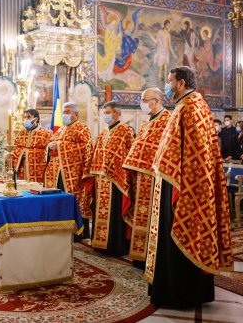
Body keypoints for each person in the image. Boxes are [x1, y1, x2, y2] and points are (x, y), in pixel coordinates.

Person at [147, 66, 233, 308]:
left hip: (184, 185)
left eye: (169, 81)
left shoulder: (191, 106)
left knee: (179, 234)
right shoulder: (189, 104)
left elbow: (193, 153)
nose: (167, 86)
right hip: (178, 180)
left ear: (181, 83)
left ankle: (180, 292)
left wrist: (177, 181)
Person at [123, 87, 171, 268]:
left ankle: (153, 256)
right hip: (141, 179)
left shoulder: (167, 121)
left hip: (156, 180)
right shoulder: (146, 123)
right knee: (141, 216)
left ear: (157, 100)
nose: (142, 104)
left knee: (154, 218)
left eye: (145, 100)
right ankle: (140, 255)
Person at [83, 101, 134, 256]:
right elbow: (96, 153)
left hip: (117, 180)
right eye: (104, 112)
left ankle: (115, 246)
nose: (105, 115)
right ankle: (100, 244)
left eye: (108, 112)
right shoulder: (104, 132)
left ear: (117, 113)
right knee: (100, 211)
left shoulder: (125, 131)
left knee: (114, 213)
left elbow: (130, 154)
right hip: (100, 179)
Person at [44, 102, 92, 240]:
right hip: (56, 173)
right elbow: (50, 144)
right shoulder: (60, 130)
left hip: (72, 173)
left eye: (68, 112)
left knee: (71, 200)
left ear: (76, 114)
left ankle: (76, 232)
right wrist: (50, 147)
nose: (64, 114)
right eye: (64, 112)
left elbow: (85, 149)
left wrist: (59, 145)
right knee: (57, 199)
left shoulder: (82, 129)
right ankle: (58, 229)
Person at [12, 109, 52, 183]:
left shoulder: (45, 133)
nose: (26, 119)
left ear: (35, 119)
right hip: (22, 169)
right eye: (25, 117)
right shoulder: (21, 132)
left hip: (38, 169)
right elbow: (16, 148)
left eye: (29, 117)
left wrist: (27, 152)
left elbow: (49, 152)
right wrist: (21, 153)